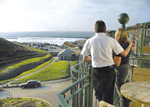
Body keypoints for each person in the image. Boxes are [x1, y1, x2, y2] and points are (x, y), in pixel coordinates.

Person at [81, 20, 132, 105]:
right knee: (108, 97)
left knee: (99, 96)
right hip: (109, 71)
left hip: (97, 72)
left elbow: (85, 58)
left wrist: (94, 58)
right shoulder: (111, 40)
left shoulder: (89, 41)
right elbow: (124, 53)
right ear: (105, 29)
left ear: (95, 30)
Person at [113, 28, 132, 107]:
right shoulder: (128, 44)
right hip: (128, 68)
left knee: (122, 95)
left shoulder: (118, 46)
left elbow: (117, 63)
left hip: (121, 71)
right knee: (127, 94)